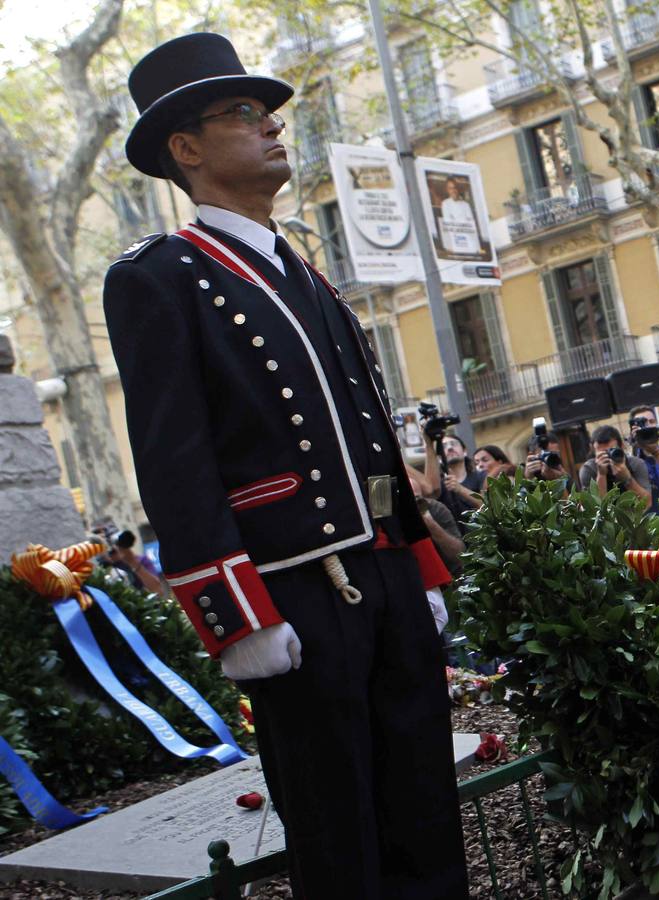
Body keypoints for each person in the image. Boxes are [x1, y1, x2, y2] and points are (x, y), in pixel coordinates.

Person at [102, 34, 467, 898]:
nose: (270, 124)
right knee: (340, 839)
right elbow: (173, 459)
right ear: (185, 148)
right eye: (242, 112)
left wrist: (416, 564)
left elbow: (370, 434)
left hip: (382, 574)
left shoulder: (302, 267)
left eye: (267, 111)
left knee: (426, 817)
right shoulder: (162, 276)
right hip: (295, 592)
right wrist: (236, 618)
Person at [406, 464, 466, 577]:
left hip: (450, 573)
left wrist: (431, 525)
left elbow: (459, 555)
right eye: (409, 501)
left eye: (417, 500)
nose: (413, 506)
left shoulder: (435, 509)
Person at [416, 430, 484, 527]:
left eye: (453, 444)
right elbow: (429, 494)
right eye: (444, 446)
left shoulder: (481, 476)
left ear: (464, 451)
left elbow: (487, 505)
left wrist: (459, 489)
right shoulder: (438, 486)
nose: (450, 448)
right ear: (439, 458)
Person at [577, 425, 652, 507]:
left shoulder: (635, 464)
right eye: (603, 453)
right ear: (593, 449)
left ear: (621, 446)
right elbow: (595, 508)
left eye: (612, 450)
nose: (608, 456)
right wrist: (601, 475)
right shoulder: (589, 469)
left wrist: (628, 479)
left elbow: (647, 503)